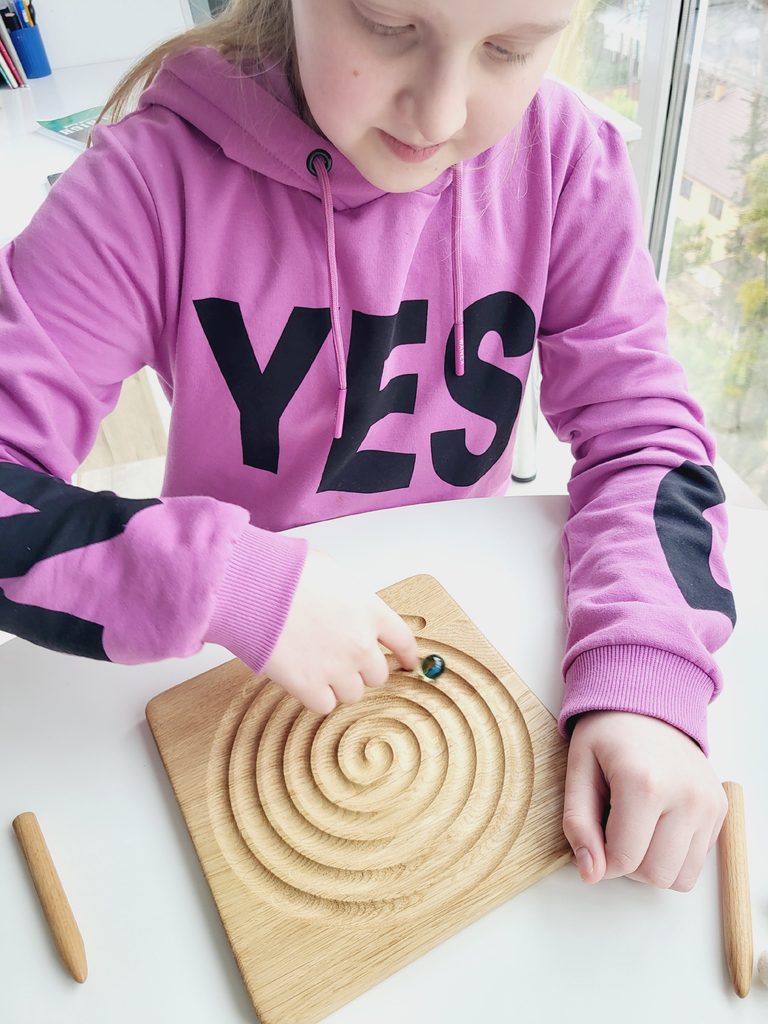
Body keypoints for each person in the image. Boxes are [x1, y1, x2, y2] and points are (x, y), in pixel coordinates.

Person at [0, 0, 736, 894]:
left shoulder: (566, 158)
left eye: (509, 48)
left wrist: (647, 667)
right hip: (232, 663)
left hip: (461, 651)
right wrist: (225, 581)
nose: (439, 114)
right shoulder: (148, 183)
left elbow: (644, 433)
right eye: (388, 25)